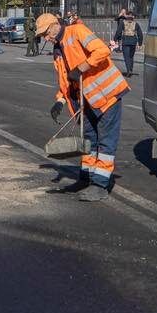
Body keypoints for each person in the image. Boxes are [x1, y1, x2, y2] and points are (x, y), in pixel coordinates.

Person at [34, 11, 128, 201]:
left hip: (106, 95)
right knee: (89, 140)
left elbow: (102, 50)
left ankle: (100, 185)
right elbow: (65, 81)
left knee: (105, 142)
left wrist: (81, 68)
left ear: (54, 25)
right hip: (86, 101)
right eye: (43, 35)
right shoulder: (58, 51)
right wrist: (60, 101)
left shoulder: (77, 31)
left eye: (46, 33)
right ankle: (87, 178)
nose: (46, 38)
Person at [112, 7, 143, 76]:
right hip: (133, 42)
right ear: (133, 17)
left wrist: (114, 40)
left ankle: (128, 70)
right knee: (131, 56)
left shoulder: (123, 23)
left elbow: (118, 32)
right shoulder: (136, 24)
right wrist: (140, 43)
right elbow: (140, 34)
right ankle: (131, 69)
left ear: (127, 16)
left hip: (125, 42)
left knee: (126, 57)